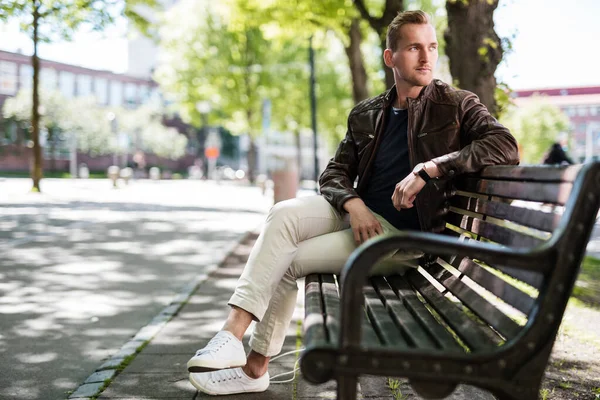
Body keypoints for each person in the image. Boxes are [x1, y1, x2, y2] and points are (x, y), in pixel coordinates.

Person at [187, 10, 519, 396]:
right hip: (359, 216)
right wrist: (353, 205)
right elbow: (334, 174)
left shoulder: (456, 104)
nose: (426, 57)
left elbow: (505, 145)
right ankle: (231, 336)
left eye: (430, 47)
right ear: (390, 57)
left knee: (289, 260)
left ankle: (255, 367)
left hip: (406, 237)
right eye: (414, 48)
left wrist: (430, 168)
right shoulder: (367, 114)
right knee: (282, 215)